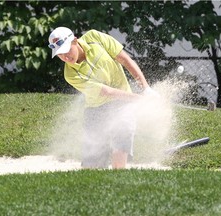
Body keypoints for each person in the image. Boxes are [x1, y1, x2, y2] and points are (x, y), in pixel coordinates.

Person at [48, 27, 158, 169]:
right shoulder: (70, 75)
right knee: (92, 166)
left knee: (122, 136)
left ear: (74, 41)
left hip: (123, 105)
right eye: (60, 54)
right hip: (96, 110)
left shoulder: (95, 37)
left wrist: (146, 89)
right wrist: (139, 99)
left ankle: (119, 181)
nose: (65, 57)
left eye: (67, 50)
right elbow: (107, 92)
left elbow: (124, 59)